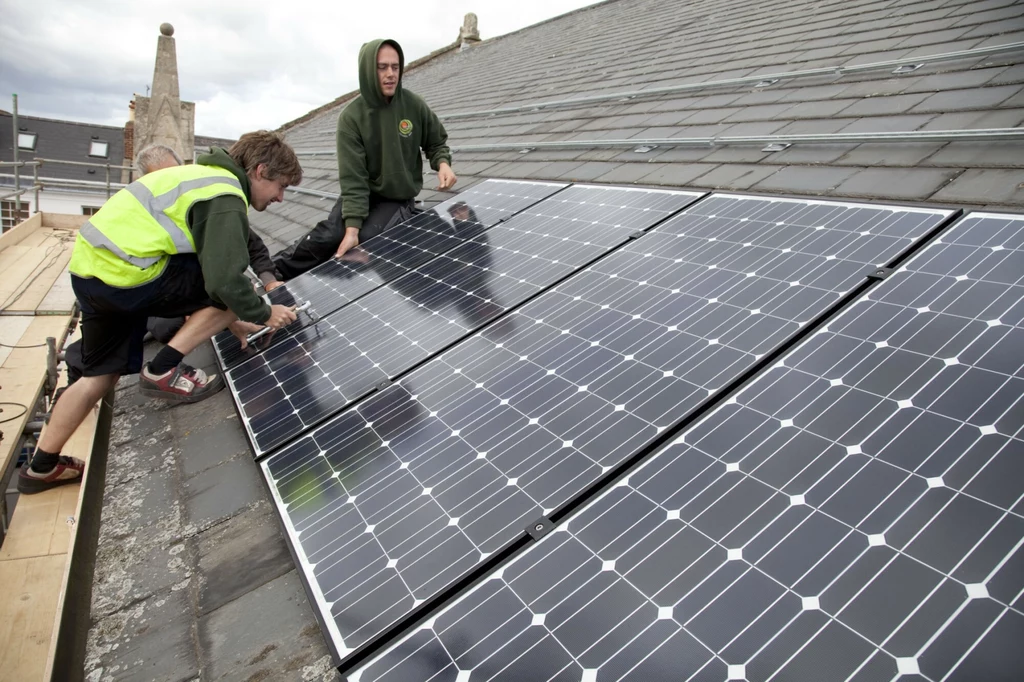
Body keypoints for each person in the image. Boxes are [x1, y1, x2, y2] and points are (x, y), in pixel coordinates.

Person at [18, 131, 301, 494]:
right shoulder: (226, 193)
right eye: (280, 187)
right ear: (260, 171)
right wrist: (265, 312)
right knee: (234, 286)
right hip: (130, 274)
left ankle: (41, 467)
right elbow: (224, 283)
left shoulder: (199, 176)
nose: (280, 198)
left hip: (93, 272)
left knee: (98, 376)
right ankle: (162, 367)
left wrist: (235, 321)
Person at [273, 37, 456, 279]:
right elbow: (354, 180)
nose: (390, 74)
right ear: (368, 71)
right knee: (329, 235)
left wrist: (443, 163)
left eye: (395, 67)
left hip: (396, 199)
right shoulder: (352, 117)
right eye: (382, 67)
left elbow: (435, 141)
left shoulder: (413, 106)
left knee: (370, 240)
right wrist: (351, 228)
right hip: (363, 193)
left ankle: (333, 286)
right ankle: (272, 274)